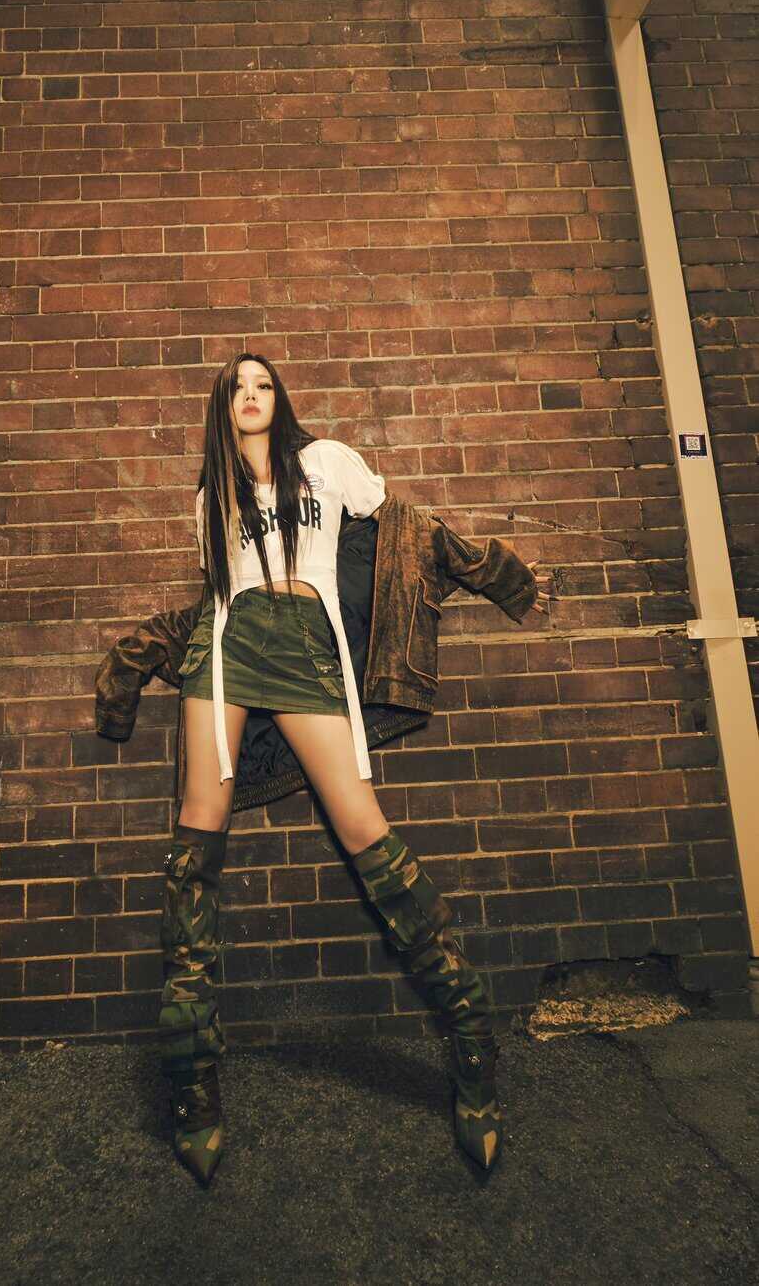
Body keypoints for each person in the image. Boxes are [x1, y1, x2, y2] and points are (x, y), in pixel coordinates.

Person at [159, 352, 552, 1188]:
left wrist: (493, 572)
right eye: (237, 388)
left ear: (280, 399)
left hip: (306, 647)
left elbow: (408, 530)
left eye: (263, 384)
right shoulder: (209, 497)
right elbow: (215, 596)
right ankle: (191, 1074)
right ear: (223, 408)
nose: (252, 396)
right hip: (225, 651)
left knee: (366, 832)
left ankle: (471, 1036)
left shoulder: (328, 462)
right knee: (194, 847)